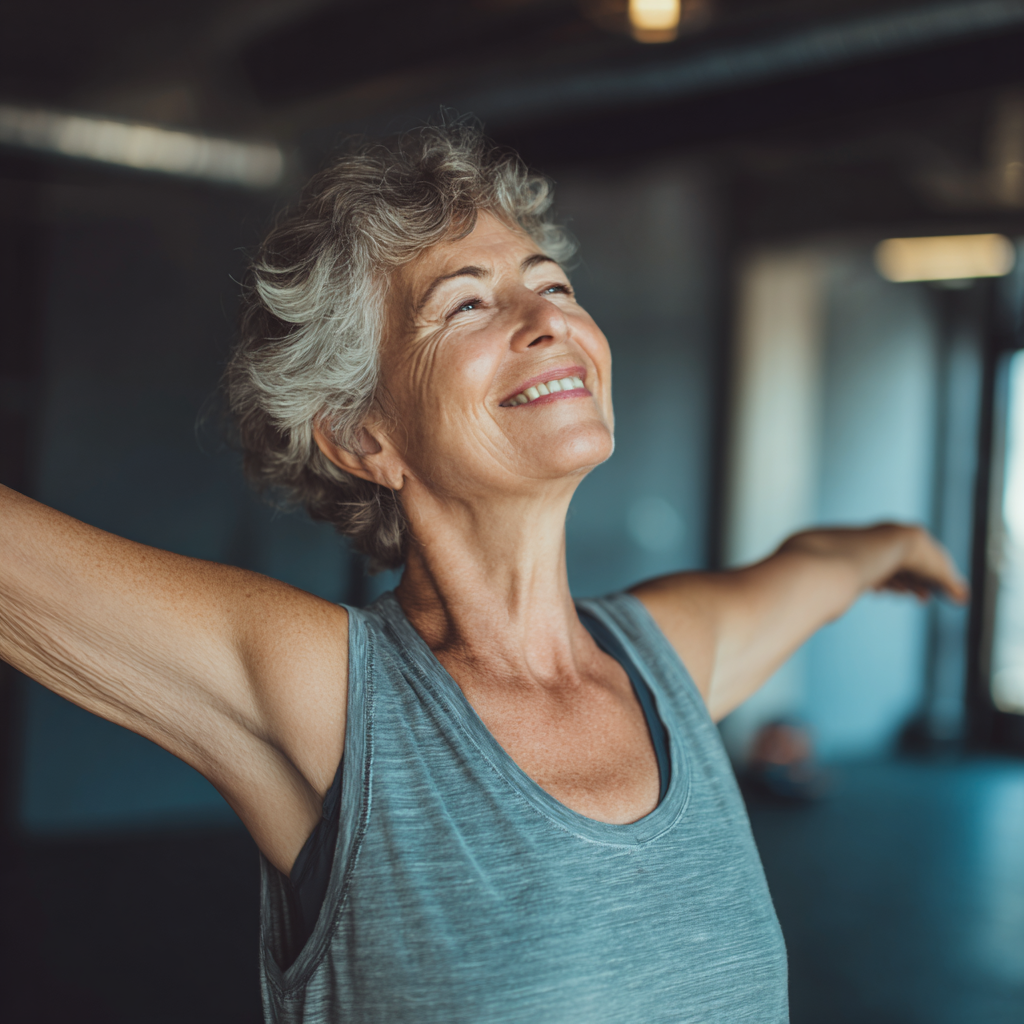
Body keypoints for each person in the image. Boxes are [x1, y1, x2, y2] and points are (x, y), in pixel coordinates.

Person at [0, 123, 966, 1023]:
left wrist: (901, 544)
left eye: (551, 285)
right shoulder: (333, 696)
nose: (545, 318)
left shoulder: (668, 656)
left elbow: (823, 561)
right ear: (362, 436)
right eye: (466, 302)